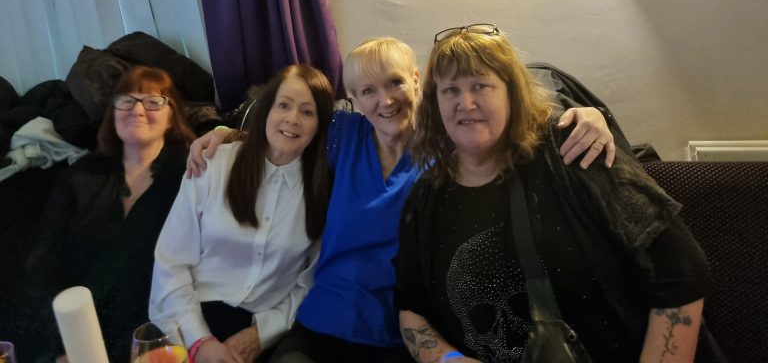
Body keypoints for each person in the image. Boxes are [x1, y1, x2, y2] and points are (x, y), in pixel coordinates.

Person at [187, 36, 615, 363]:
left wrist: (585, 115)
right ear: (354, 100)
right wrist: (224, 134)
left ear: (416, 81)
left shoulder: (451, 141)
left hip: (403, 335)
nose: (385, 100)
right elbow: (279, 129)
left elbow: (509, 117)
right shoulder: (343, 135)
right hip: (321, 323)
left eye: (394, 82)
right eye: (368, 91)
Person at [395, 25, 719, 363]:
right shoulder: (426, 197)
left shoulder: (571, 149)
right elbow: (411, 309)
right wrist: (447, 359)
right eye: (450, 90)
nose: (466, 103)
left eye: (480, 86)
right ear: (435, 103)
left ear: (511, 93)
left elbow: (682, 271)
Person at [149, 64, 334, 363]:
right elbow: (171, 263)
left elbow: (308, 283)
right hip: (188, 318)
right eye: (283, 105)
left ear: (320, 124)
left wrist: (262, 334)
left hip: (259, 334)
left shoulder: (322, 190)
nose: (292, 118)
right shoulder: (212, 164)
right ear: (266, 109)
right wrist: (200, 342)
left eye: (307, 112)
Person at [24, 66, 196, 362]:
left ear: (172, 118)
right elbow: (43, 261)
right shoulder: (80, 176)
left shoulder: (192, 173)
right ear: (112, 113)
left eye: (153, 101)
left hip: (158, 336)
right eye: (126, 100)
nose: (137, 110)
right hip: (72, 335)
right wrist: (67, 341)